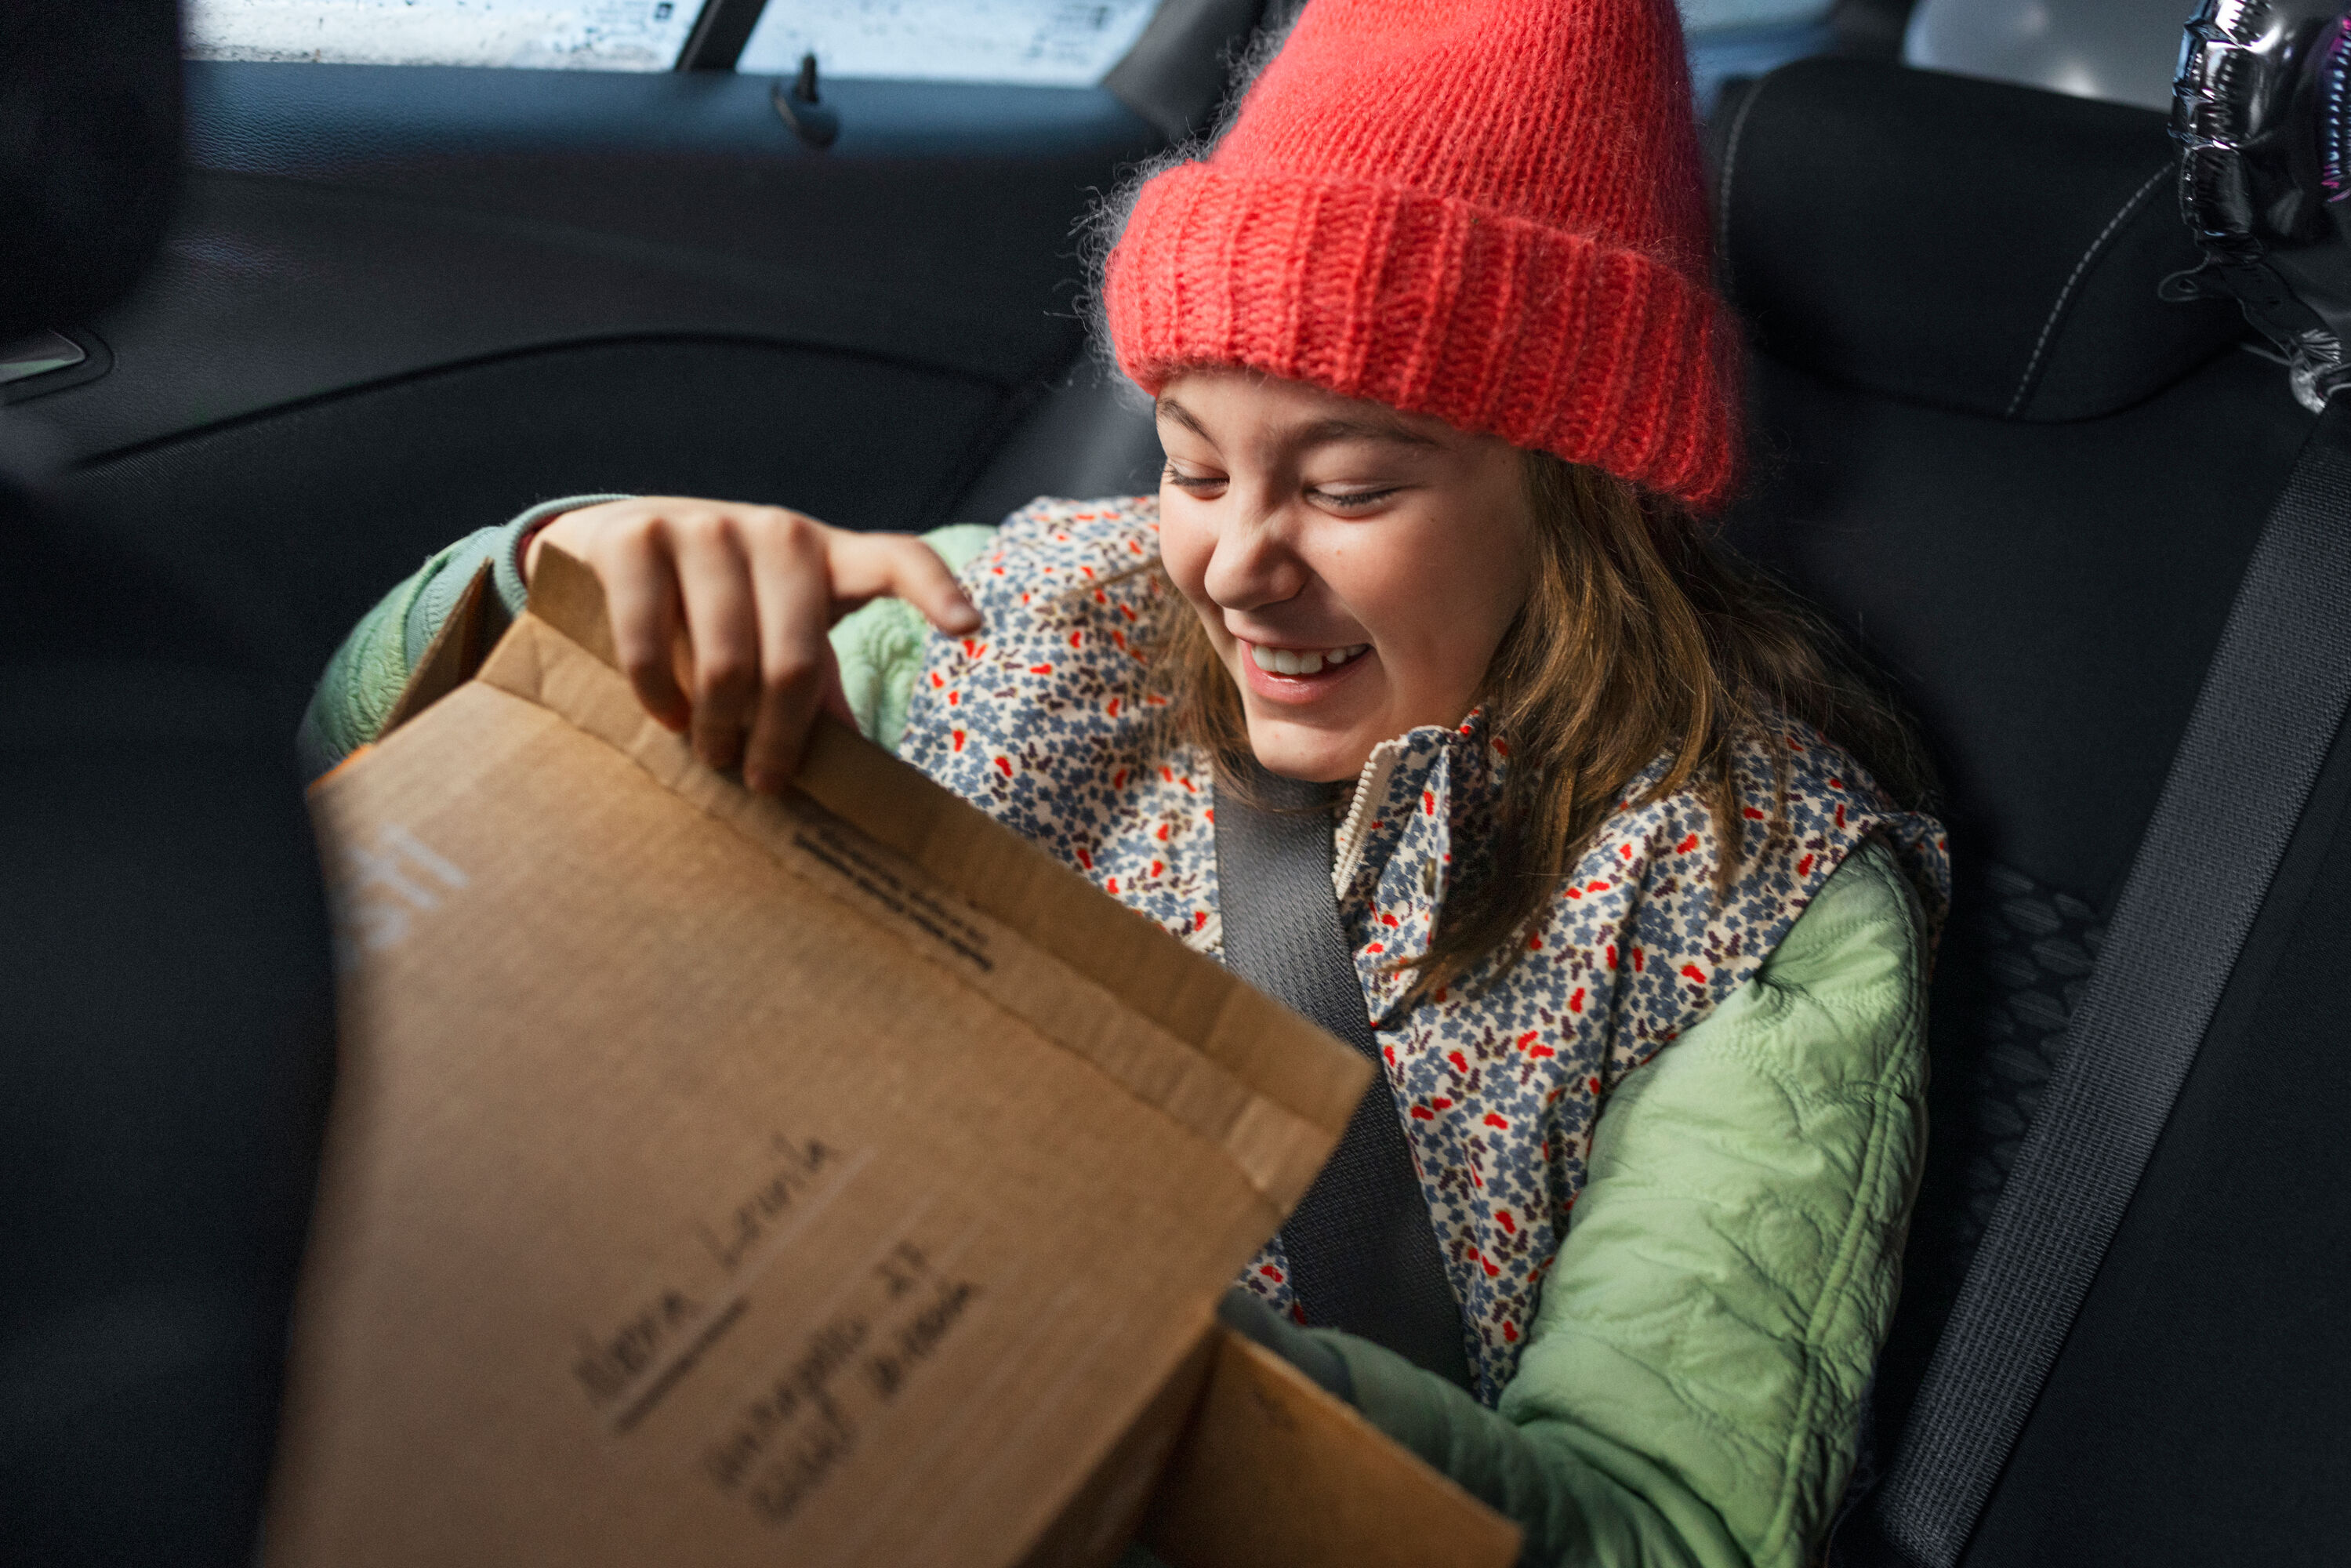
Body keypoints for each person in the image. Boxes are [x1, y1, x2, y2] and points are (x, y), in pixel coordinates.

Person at [303, 0, 1949, 1561]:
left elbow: (1663, 1530)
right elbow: (343, 796)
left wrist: (1110, 1346)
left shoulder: (1756, 891)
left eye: (1352, 487)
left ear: (1579, 490)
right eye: (1189, 459)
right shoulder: (1034, 616)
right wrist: (555, 582)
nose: (1230, 566)